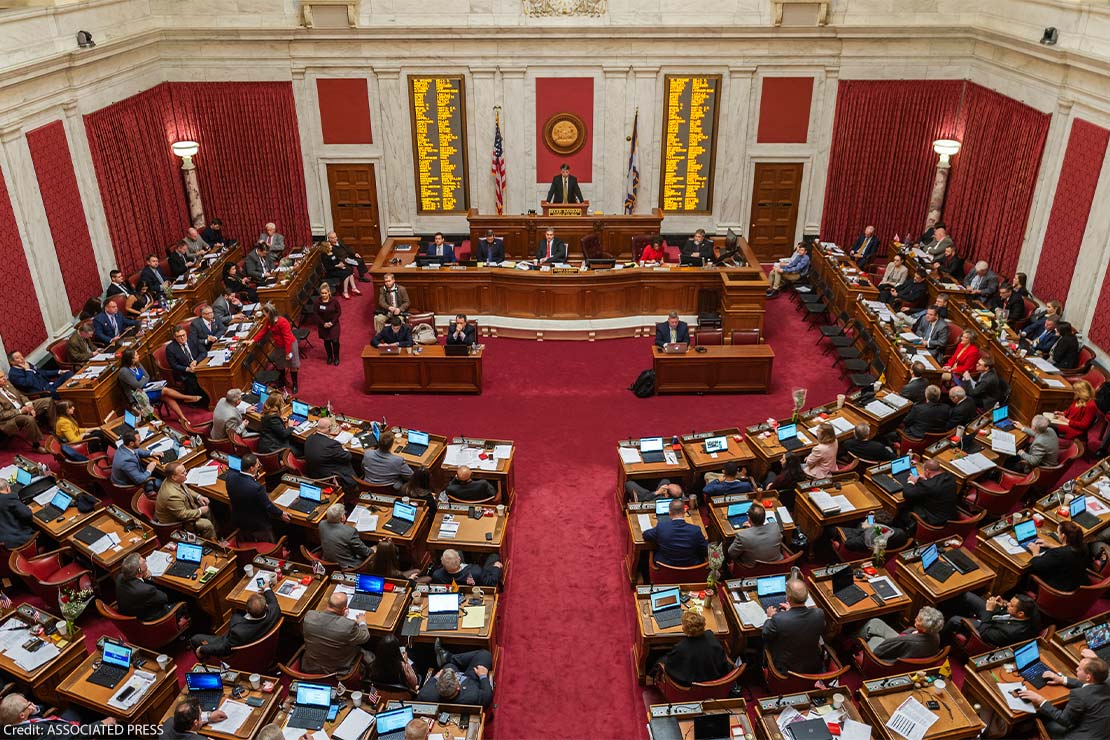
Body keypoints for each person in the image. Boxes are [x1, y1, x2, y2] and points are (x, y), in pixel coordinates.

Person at [1018, 656, 1110, 739]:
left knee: (1046, 722)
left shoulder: (1080, 695)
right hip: (1101, 732)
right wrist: (1062, 680)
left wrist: (1041, 700)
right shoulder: (1106, 684)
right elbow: (1088, 685)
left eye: (1080, 669)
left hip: (1079, 736)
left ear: (1088, 677)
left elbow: (1064, 720)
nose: (1076, 669)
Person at [191, 574, 280, 658]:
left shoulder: (237, 631)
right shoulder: (274, 612)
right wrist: (267, 588)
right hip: (263, 647)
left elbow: (224, 647)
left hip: (239, 656)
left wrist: (202, 649)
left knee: (195, 639)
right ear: (267, 606)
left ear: (246, 610)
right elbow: (273, 602)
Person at [118, 348, 198, 424]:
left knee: (167, 396)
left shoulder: (137, 364)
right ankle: (187, 398)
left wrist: (142, 380)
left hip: (147, 388)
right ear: (131, 359)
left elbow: (147, 376)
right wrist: (143, 380)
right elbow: (137, 385)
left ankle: (182, 418)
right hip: (138, 395)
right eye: (136, 355)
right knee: (164, 390)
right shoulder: (124, 371)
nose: (138, 356)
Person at [763, 579, 826, 674]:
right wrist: (790, 611)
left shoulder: (778, 619)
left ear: (788, 598)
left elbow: (765, 634)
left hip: (785, 670)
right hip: (812, 667)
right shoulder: (819, 614)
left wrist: (771, 617)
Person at [659, 610, 734, 685]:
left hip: (690, 687)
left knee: (659, 660)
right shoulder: (710, 636)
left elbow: (670, 668)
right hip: (714, 680)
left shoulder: (681, 648)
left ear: (684, 629)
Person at [227, 452, 289, 541]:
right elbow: (268, 505)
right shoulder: (256, 488)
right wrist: (281, 513)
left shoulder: (230, 478)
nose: (259, 466)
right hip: (257, 524)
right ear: (251, 468)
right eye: (257, 465)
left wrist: (253, 479)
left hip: (238, 519)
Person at [302, 592, 370, 674]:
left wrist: (340, 617)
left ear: (328, 604)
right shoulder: (348, 626)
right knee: (368, 655)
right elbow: (365, 637)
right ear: (345, 610)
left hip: (311, 667)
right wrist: (362, 622)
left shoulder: (309, 616)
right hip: (338, 670)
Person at [942, 593, 1040, 647]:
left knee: (954, 620)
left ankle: (941, 643)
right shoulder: (1031, 609)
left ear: (1020, 614)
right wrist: (1004, 604)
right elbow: (1011, 609)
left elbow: (984, 633)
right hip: (996, 616)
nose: (1008, 604)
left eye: (1011, 605)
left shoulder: (1011, 632)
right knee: (967, 596)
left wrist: (989, 611)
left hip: (988, 628)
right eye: (1010, 602)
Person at [0, 693, 118, 735]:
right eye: (28, 704)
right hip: (67, 733)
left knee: (75, 703)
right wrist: (102, 723)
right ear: (21, 715)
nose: (31, 704)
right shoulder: (35, 731)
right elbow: (75, 735)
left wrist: (33, 709)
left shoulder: (8, 722)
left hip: (56, 725)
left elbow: (38, 709)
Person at [155, 463, 217, 540]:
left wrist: (199, 497)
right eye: (183, 473)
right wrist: (200, 511)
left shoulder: (172, 480)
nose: (186, 473)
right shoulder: (172, 495)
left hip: (184, 509)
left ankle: (215, 535)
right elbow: (182, 515)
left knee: (207, 509)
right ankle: (211, 544)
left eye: (185, 471)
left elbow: (185, 489)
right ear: (174, 477)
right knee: (207, 525)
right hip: (177, 523)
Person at [422, 642, 494, 707]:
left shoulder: (427, 695)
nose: (456, 675)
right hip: (471, 679)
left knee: (450, 664)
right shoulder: (472, 696)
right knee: (484, 654)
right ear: (458, 687)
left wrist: (435, 677)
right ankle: (449, 657)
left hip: (453, 673)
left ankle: (448, 658)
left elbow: (422, 694)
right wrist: (483, 676)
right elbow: (487, 697)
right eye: (457, 678)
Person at [857, 606, 944, 660]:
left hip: (886, 657)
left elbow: (878, 652)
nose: (915, 619)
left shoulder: (908, 641)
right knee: (875, 622)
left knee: (873, 636)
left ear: (925, 629)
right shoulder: (935, 634)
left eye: (918, 620)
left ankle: (853, 644)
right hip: (903, 646)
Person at [1027, 520, 1089, 593]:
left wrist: (1035, 551)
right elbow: (1068, 550)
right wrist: (1050, 545)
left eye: (1058, 532)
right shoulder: (1083, 547)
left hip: (1055, 591)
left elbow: (1038, 565)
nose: (1057, 534)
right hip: (1074, 585)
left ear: (1063, 536)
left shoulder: (1059, 554)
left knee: (1027, 571)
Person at [643, 499, 708, 567]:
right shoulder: (695, 530)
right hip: (690, 570)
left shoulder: (661, 527)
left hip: (665, 569)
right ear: (684, 512)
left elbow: (646, 535)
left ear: (669, 512)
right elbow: (705, 550)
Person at [253, 303, 299, 393]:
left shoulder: (282, 322)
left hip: (290, 345)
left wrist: (288, 352)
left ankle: (295, 384)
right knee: (280, 364)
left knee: (293, 365)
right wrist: (253, 340)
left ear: (269, 313)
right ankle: (282, 381)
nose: (264, 316)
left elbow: (287, 338)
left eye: (264, 314)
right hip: (279, 345)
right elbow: (263, 331)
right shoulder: (269, 321)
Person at [897, 459, 957, 528]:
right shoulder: (950, 477)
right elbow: (935, 485)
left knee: (904, 507)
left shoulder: (929, 485)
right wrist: (927, 480)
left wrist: (911, 481)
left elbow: (907, 494)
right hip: (950, 516)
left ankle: (904, 528)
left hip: (935, 520)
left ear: (927, 471)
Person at [0, 373, 51, 453]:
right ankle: (36, 445)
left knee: (48, 401)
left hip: (23, 407)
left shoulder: (7, 384)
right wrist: (21, 411)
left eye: (4, 376)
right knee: (29, 419)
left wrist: (29, 405)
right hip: (9, 419)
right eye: (1, 377)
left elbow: (21, 395)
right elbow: (2, 415)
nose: (4, 379)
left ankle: (55, 427)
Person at [116, 553, 174, 621]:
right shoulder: (146, 590)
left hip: (131, 612)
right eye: (144, 561)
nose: (145, 560)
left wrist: (143, 574)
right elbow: (164, 598)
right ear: (139, 570)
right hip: (150, 619)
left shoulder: (119, 577)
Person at [305, 417, 357, 490]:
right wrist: (342, 447)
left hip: (313, 471)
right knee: (351, 463)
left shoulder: (309, 438)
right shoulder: (331, 444)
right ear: (329, 428)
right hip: (328, 476)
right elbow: (348, 456)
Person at [166, 326, 210, 405]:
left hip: (199, 365)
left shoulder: (192, 339)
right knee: (195, 381)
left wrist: (196, 361)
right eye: (179, 336)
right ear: (174, 337)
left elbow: (204, 352)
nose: (182, 338)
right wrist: (188, 369)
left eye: (184, 335)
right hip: (184, 372)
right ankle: (202, 402)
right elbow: (174, 365)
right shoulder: (170, 348)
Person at [319, 503, 372, 569]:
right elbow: (365, 552)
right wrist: (373, 550)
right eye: (344, 514)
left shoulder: (321, 524)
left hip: (327, 561)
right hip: (347, 566)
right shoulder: (350, 531)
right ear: (342, 518)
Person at [6, 351, 71, 398]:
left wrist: (59, 371)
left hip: (50, 384)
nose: (22, 358)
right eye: (18, 358)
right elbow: (28, 383)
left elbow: (42, 372)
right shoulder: (14, 374)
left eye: (21, 356)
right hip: (43, 392)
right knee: (66, 392)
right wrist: (28, 370)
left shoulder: (26, 364)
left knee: (69, 373)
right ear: (12, 362)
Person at [432, 548, 502, 588]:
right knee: (494, 556)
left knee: (459, 549)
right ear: (459, 559)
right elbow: (491, 581)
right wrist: (496, 567)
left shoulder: (437, 575)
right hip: (476, 584)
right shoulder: (476, 571)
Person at [313, 282, 343, 366]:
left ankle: (336, 357)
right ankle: (330, 356)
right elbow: (315, 314)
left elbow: (338, 312)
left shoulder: (334, 301)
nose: (324, 295)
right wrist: (323, 323)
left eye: (325, 293)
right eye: (322, 293)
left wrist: (332, 322)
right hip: (323, 325)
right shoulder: (317, 302)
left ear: (329, 292)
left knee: (335, 341)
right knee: (327, 341)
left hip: (334, 323)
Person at [0, 479, 34, 549]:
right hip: (18, 543)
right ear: (7, 488)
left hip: (3, 544)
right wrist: (26, 508)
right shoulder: (8, 498)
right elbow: (27, 515)